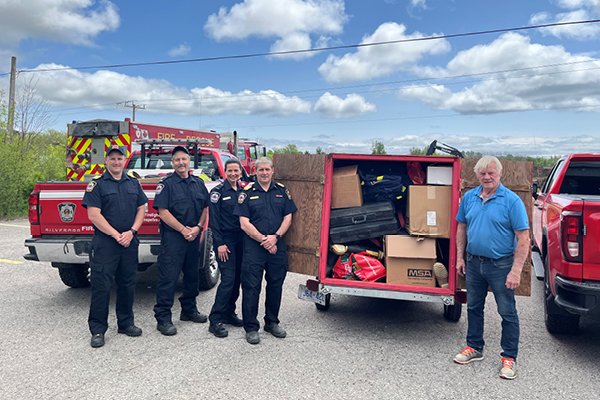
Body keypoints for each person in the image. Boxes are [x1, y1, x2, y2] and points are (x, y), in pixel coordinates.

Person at [453, 156, 530, 380]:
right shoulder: (469, 197)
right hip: (474, 263)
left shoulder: (512, 201)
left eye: (491, 173)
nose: (487, 177)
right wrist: (460, 258)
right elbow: (461, 228)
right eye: (482, 173)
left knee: (507, 312)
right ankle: (474, 347)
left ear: (499, 174)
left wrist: (516, 270)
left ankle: (509, 358)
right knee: (474, 307)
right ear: (477, 175)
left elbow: (523, 238)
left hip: (501, 265)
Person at [82, 145, 147, 348]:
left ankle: (126, 323)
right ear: (106, 161)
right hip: (105, 244)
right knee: (102, 286)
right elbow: (93, 214)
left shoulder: (133, 183)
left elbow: (141, 208)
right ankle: (98, 329)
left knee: (128, 284)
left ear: (124, 161)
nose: (116, 162)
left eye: (120, 159)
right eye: (112, 159)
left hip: (129, 241)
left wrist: (132, 232)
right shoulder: (97, 185)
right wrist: (115, 234)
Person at [235, 157, 297, 345]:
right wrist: (264, 239)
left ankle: (271, 322)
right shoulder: (246, 193)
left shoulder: (281, 191)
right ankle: (251, 328)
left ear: (272, 171)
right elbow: (244, 223)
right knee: (251, 287)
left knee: (275, 285)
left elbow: (288, 216)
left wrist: (275, 237)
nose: (264, 173)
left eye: (267, 170)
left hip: (276, 246)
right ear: (255, 171)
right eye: (260, 170)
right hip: (254, 247)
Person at [153, 146, 210, 336]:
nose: (181, 163)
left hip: (194, 236)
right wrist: (183, 229)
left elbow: (205, 208)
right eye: (177, 160)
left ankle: (189, 310)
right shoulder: (166, 184)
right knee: (168, 278)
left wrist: (198, 228)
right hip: (173, 238)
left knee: (192, 275)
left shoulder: (198, 183)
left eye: (184, 159)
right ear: (172, 163)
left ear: (189, 161)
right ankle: (163, 318)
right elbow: (163, 212)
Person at [207, 159, 246, 338]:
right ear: (225, 172)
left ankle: (229, 313)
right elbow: (213, 221)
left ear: (240, 172)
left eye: (236, 171)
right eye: (230, 171)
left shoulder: (243, 190)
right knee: (228, 279)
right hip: (225, 241)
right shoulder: (218, 192)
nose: (233, 174)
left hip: (241, 240)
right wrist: (220, 243)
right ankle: (215, 319)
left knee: (237, 278)